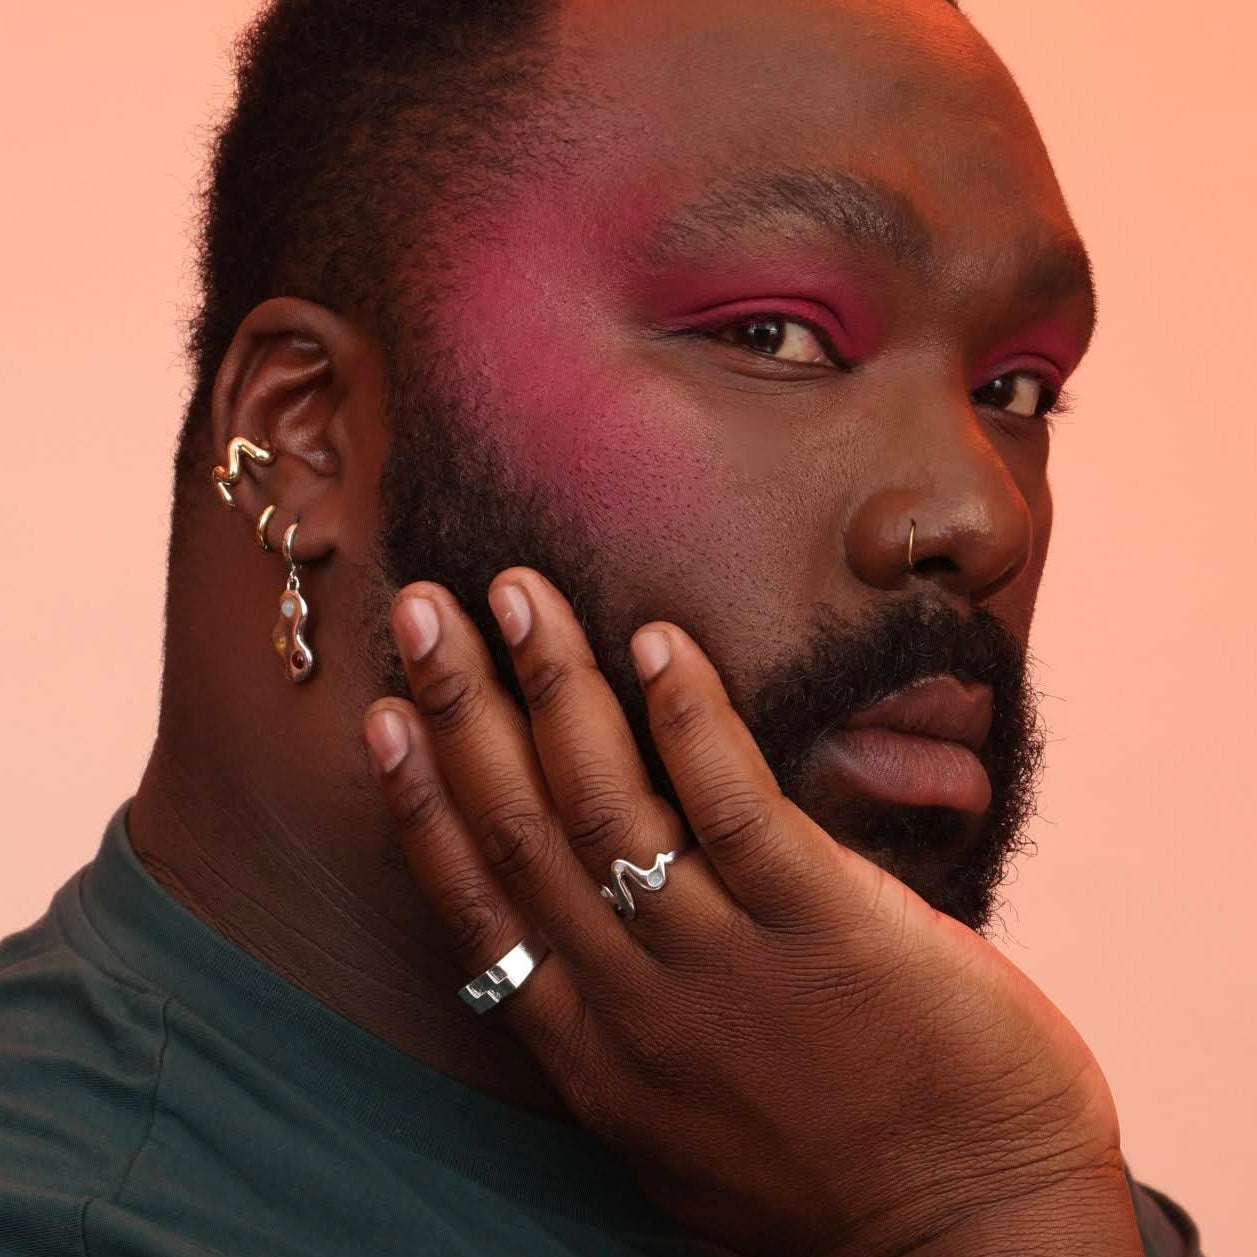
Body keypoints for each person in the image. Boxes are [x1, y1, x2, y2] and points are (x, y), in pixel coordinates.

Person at [0, 0, 1205, 1254]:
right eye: (775, 337)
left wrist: (995, 1202)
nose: (984, 515)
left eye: (1017, 391)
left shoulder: (1041, 1195)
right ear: (302, 441)